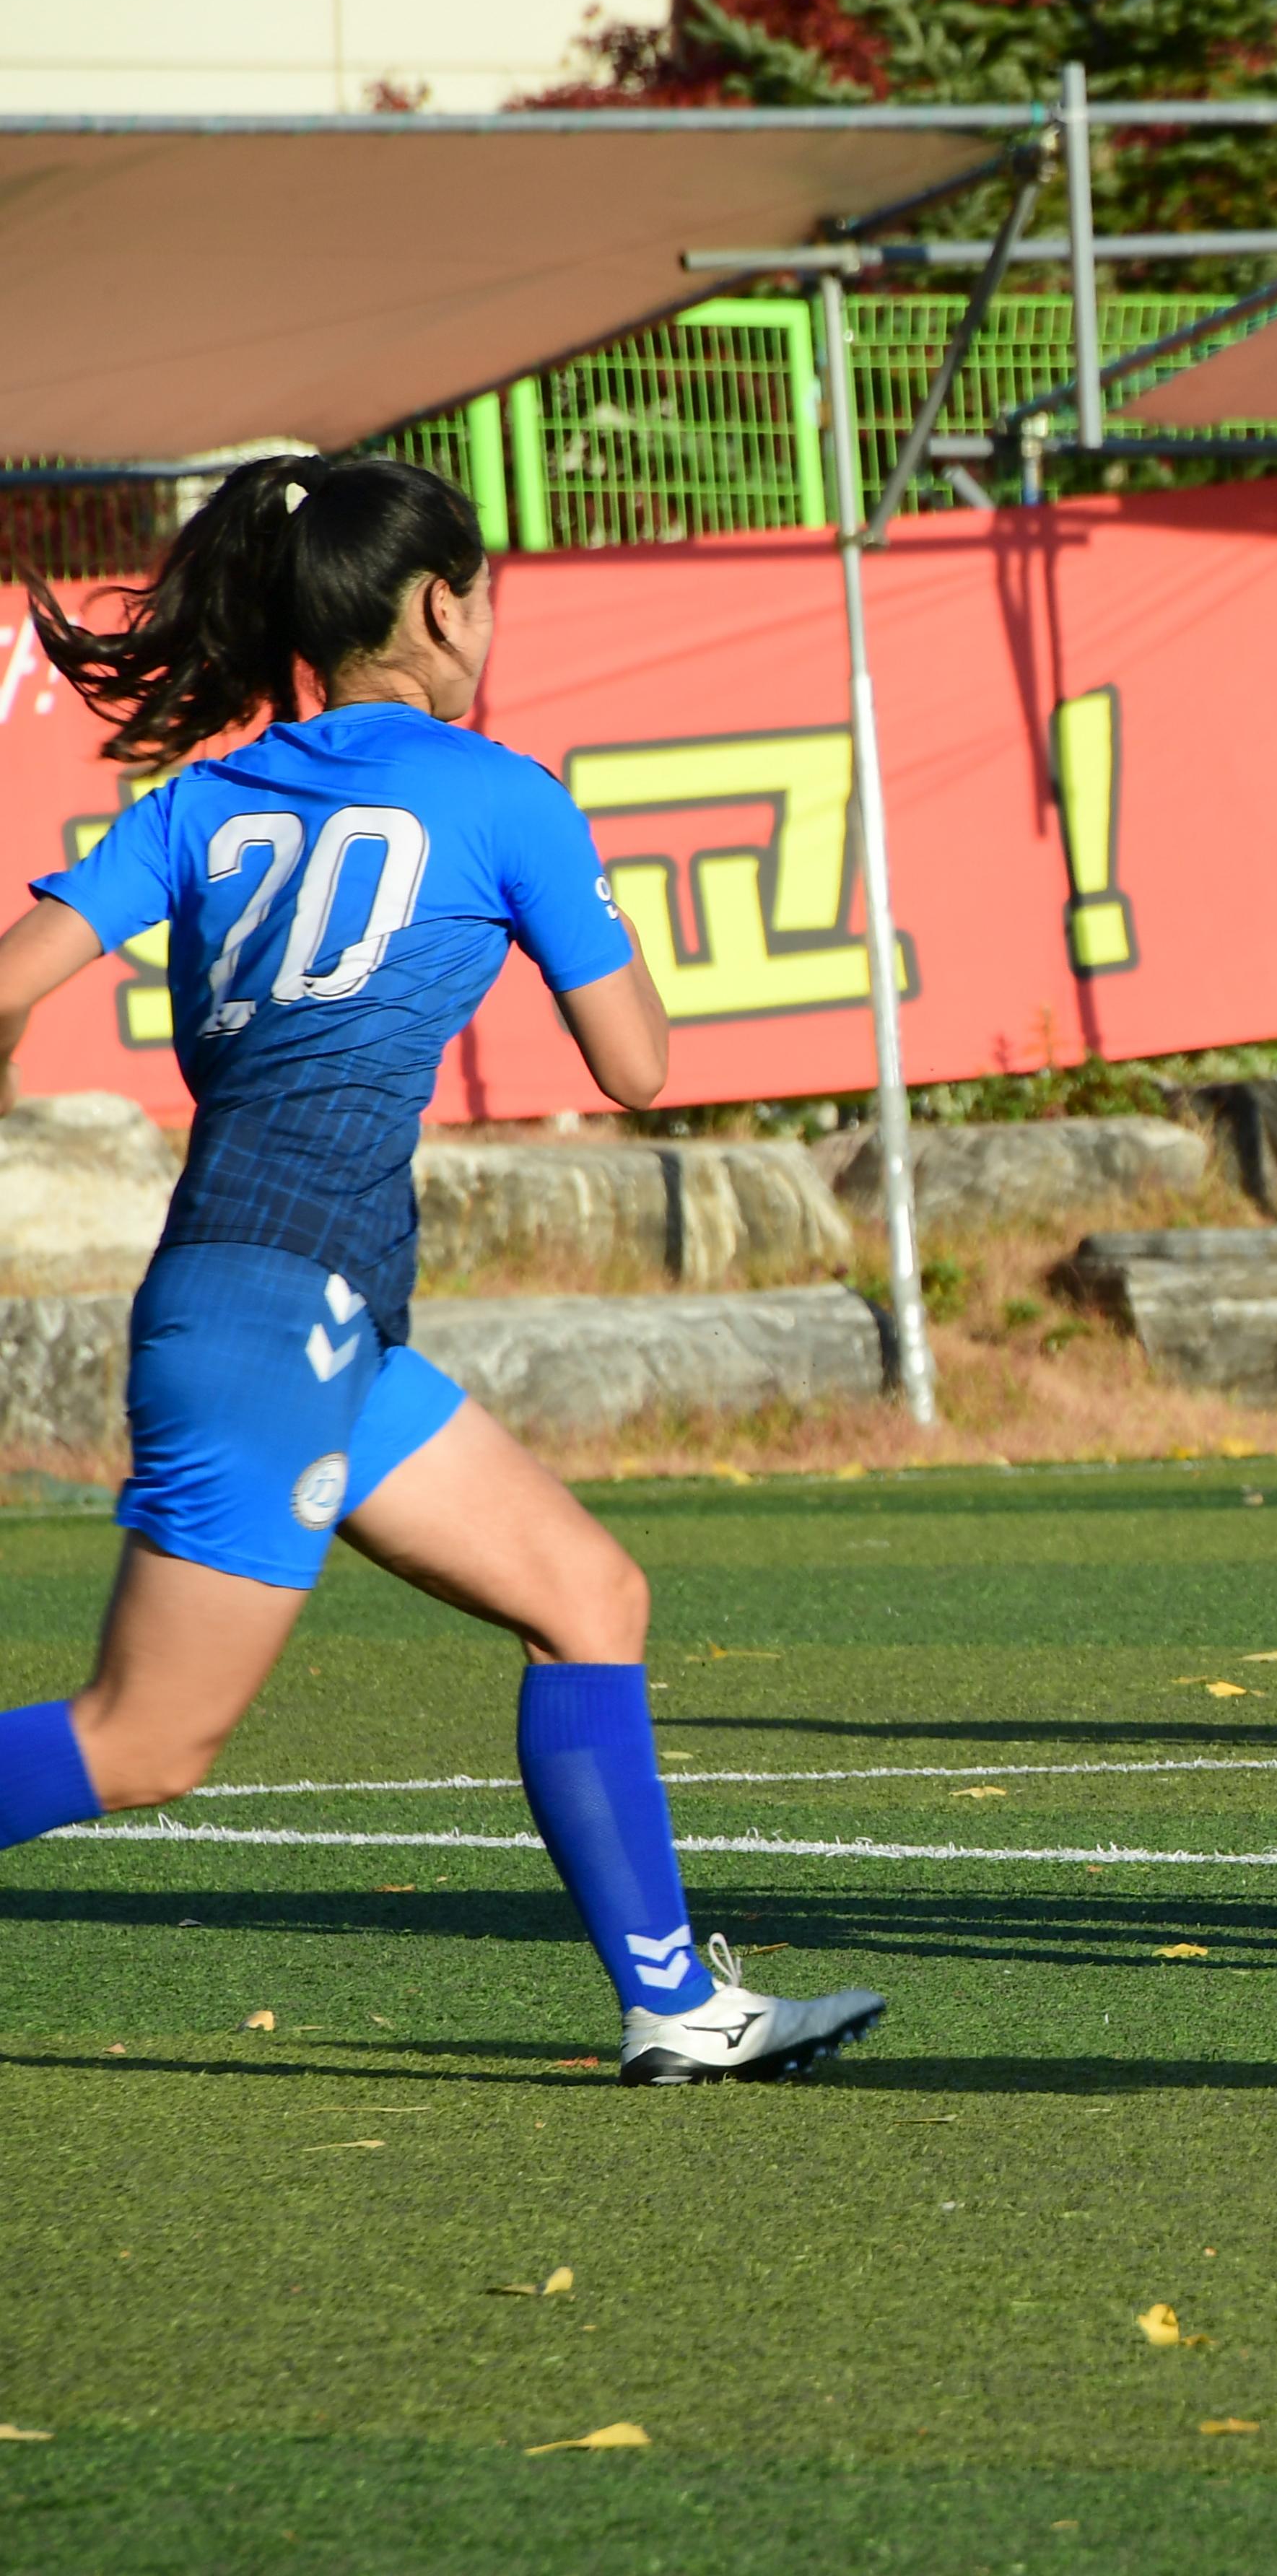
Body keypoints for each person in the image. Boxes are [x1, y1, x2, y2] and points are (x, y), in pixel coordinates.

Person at [0, 455, 884, 2084]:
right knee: (144, 1739)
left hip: (287, 1309)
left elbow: (11, 976)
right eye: (482, 596)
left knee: (589, 1594)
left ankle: (676, 2000)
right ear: (435, 605)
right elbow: (634, 1064)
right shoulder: (503, 795)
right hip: (278, 1315)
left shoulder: (201, 800)